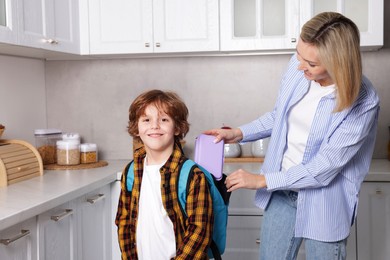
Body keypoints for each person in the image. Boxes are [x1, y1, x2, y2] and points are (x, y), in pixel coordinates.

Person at [204, 12, 379, 260]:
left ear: (338, 62)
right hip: (282, 195)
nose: (300, 66)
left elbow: (323, 167)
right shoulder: (300, 67)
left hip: (325, 201)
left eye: (311, 63)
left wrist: (262, 180)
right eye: (298, 54)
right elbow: (281, 115)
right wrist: (240, 133)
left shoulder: (363, 100)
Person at [115, 89, 213, 259]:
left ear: (177, 128)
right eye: (146, 120)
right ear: (136, 128)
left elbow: (199, 232)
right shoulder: (131, 171)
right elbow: (124, 221)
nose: (154, 126)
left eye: (164, 119)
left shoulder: (192, 175)